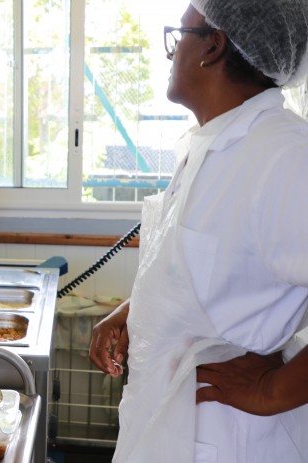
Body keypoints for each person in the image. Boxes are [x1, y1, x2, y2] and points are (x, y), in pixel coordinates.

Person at [88, 2, 308, 462]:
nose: (171, 53)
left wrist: (275, 389)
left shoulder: (284, 156)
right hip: (167, 427)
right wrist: (140, 310)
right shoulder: (215, 142)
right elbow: (226, 267)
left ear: (213, 44)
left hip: (230, 438)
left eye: (178, 35)